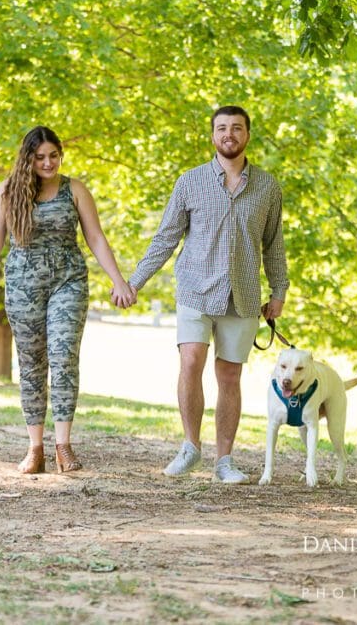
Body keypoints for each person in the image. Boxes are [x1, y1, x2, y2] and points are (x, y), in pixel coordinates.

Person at [122, 105, 289, 484]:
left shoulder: (267, 187)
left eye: (236, 128)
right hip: (196, 289)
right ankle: (190, 447)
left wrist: (279, 291)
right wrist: (135, 282)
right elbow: (165, 237)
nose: (229, 134)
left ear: (247, 134)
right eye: (222, 128)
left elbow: (274, 246)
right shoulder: (190, 182)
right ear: (212, 136)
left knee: (229, 376)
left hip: (243, 295)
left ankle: (224, 461)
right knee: (191, 361)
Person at [0, 126, 135, 474]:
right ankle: (35, 447)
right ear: (28, 158)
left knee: (63, 355)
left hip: (67, 281)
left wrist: (119, 281)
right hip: (23, 285)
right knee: (31, 365)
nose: (48, 162)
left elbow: (96, 239)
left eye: (53, 155)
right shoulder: (8, 193)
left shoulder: (75, 190)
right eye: (40, 156)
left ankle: (63, 446)